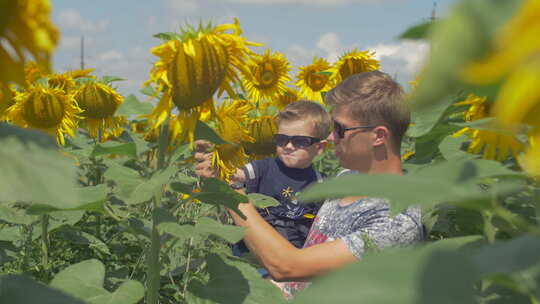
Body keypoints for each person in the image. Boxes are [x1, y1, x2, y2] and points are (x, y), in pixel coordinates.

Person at [195, 71, 424, 298]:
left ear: (378, 136)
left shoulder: (395, 221)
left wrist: (231, 194)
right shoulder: (346, 179)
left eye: (340, 129)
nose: (331, 138)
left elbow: (288, 266)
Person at [198, 100, 332, 256]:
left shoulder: (323, 183)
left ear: (320, 148)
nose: (288, 146)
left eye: (300, 141)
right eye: (282, 139)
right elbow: (234, 175)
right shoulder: (264, 167)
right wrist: (213, 163)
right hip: (252, 253)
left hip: (295, 258)